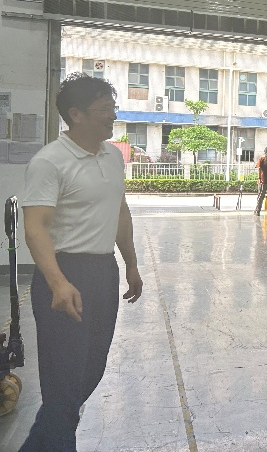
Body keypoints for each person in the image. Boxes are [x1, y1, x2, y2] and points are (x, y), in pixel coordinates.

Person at [19, 73, 143, 451]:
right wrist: (57, 282)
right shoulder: (50, 161)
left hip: (103, 272)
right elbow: (35, 227)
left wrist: (131, 264)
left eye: (113, 108)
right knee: (64, 379)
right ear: (76, 114)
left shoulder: (112, 156)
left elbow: (119, 212)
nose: (113, 116)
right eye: (105, 109)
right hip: (64, 274)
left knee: (91, 369)